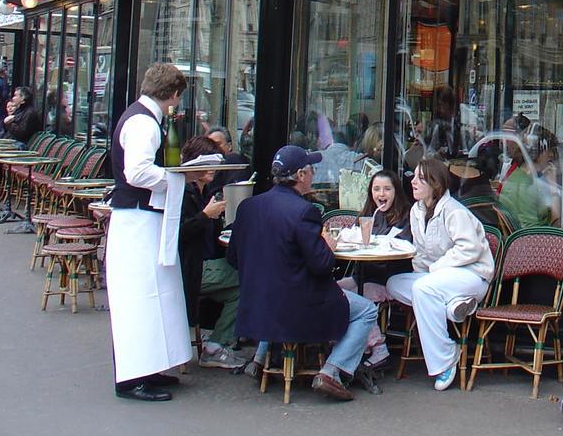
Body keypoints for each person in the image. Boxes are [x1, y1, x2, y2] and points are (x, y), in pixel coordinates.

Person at [228, 145, 378, 401]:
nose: (313, 173)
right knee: (366, 310)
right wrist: (328, 247)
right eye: (310, 169)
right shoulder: (303, 212)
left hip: (258, 304)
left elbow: (233, 258)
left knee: (281, 289)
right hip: (299, 308)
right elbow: (322, 266)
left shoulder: (248, 207)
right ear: (300, 175)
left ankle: (261, 357)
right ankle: (332, 371)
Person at [106, 62, 192, 402]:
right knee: (141, 297)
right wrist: (176, 179)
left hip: (138, 216)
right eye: (178, 97)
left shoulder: (139, 116)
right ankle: (132, 378)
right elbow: (138, 172)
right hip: (138, 219)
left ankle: (149, 366)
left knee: (153, 293)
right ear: (172, 94)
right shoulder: (145, 123)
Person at [386, 157, 494, 391]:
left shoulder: (454, 211)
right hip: (440, 281)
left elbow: (470, 248)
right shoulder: (416, 211)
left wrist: (436, 270)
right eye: (412, 176)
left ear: (435, 184)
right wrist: (424, 270)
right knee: (394, 284)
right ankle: (452, 306)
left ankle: (445, 358)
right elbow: (422, 254)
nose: (412, 182)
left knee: (423, 289)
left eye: (419, 178)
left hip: (472, 276)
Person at [177, 135, 247, 371]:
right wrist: (206, 215)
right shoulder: (184, 192)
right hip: (191, 268)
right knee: (249, 279)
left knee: (241, 286)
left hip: (200, 264)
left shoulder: (202, 191)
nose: (215, 170)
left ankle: (216, 344)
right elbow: (178, 234)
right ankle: (217, 346)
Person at [338, 170, 413, 370]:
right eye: (377, 189)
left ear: (396, 191)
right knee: (332, 289)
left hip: (390, 279)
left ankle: (378, 347)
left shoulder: (406, 216)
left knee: (360, 298)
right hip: (363, 275)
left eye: (387, 189)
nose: (382, 193)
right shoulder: (367, 216)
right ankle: (345, 341)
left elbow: (405, 246)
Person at [206, 124, 250, 193]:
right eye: (210, 145)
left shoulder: (234, 160)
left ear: (229, 146)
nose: (213, 148)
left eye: (218, 144)